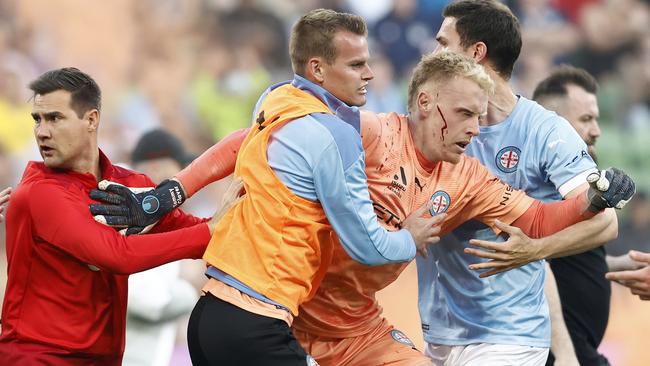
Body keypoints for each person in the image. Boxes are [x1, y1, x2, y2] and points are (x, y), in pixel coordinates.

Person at [93, 49, 634, 366]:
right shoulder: (368, 134)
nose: (477, 128)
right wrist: (170, 192)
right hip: (286, 310)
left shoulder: (469, 177)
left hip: (357, 327)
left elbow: (538, 219)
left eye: (481, 116)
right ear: (426, 104)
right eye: (466, 113)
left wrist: (592, 197)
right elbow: (252, 139)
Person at [91, 9, 443, 365]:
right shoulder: (333, 136)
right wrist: (408, 239)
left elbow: (237, 143)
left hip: (209, 317)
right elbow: (366, 245)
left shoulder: (275, 100)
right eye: (356, 65)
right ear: (318, 69)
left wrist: (170, 193)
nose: (368, 73)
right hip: (255, 324)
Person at [417, 1, 623, 365]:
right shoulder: (435, 124)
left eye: (443, 43)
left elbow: (605, 222)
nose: (434, 54)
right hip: (440, 331)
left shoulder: (545, 131)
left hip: (508, 336)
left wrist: (535, 250)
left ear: (475, 53)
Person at [0, 67, 238, 365]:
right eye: (37, 119)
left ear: (91, 119)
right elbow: (117, 256)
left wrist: (232, 223)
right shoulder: (38, 193)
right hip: (38, 357)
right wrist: (209, 233)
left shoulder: (129, 184)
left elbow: (194, 230)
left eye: (55, 118)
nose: (41, 132)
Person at [532, 65, 611, 365]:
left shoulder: (575, 187)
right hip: (562, 353)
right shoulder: (537, 185)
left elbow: (565, 257)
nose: (597, 130)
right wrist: (565, 354)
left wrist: (612, 265)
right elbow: (536, 264)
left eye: (596, 119)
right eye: (586, 119)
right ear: (554, 125)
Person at [122, 129, 200, 366]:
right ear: (157, 169)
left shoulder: (161, 222)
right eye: (179, 171)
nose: (185, 182)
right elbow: (150, 303)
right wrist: (192, 290)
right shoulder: (126, 220)